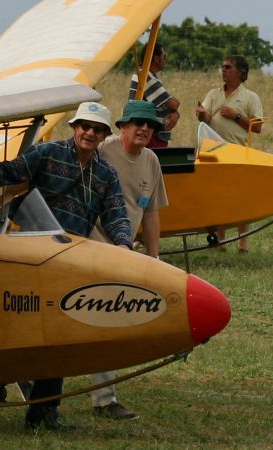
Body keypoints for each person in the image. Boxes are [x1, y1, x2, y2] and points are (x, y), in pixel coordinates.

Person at [0, 101, 134, 430]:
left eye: (97, 129)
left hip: (68, 263)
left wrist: (123, 245)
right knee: (17, 336)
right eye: (84, 126)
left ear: (104, 135)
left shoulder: (106, 174)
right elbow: (6, 172)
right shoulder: (47, 153)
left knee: (57, 337)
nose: (89, 132)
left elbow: (116, 212)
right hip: (29, 261)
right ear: (74, 128)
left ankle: (43, 413)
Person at [90, 100, 169, 420]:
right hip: (93, 249)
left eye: (150, 125)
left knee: (115, 324)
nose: (145, 129)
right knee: (103, 322)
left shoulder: (151, 160)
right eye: (137, 122)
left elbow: (150, 213)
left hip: (126, 254)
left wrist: (153, 259)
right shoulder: (102, 151)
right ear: (122, 126)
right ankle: (104, 399)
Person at [195, 55, 263, 253]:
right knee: (216, 198)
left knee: (241, 199)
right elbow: (206, 118)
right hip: (213, 154)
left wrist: (237, 115)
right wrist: (201, 113)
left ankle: (243, 245)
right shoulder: (213, 94)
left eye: (227, 67)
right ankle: (220, 242)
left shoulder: (251, 97)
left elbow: (257, 126)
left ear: (240, 72)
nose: (223, 70)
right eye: (222, 67)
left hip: (238, 153)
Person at [128, 43, 180, 148]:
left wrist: (176, 114)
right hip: (148, 135)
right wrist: (175, 112)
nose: (165, 60)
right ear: (156, 58)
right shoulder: (144, 75)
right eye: (164, 56)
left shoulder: (147, 74)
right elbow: (173, 104)